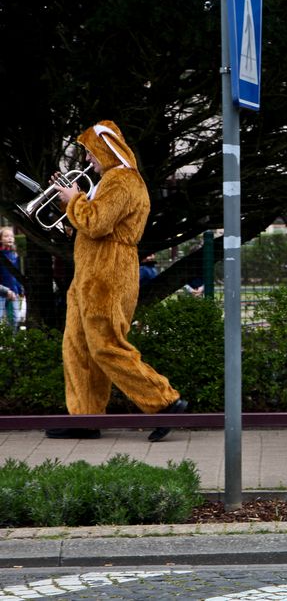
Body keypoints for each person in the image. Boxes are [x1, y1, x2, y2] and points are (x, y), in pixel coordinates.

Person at [45, 121, 187, 441]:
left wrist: (74, 200)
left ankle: (165, 401)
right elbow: (81, 227)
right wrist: (66, 204)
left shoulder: (123, 181)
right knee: (77, 348)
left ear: (106, 150)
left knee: (106, 346)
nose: (87, 161)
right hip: (88, 275)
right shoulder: (105, 182)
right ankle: (84, 418)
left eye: (91, 154)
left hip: (109, 275)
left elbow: (96, 223)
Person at [0, 227, 25, 330]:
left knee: (15, 319)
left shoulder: (15, 255)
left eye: (11, 236)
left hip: (14, 291)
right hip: (1, 291)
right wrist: (6, 291)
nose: (9, 238)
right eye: (6, 236)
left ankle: (13, 342)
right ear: (0, 239)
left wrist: (19, 290)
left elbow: (17, 275)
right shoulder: (1, 255)